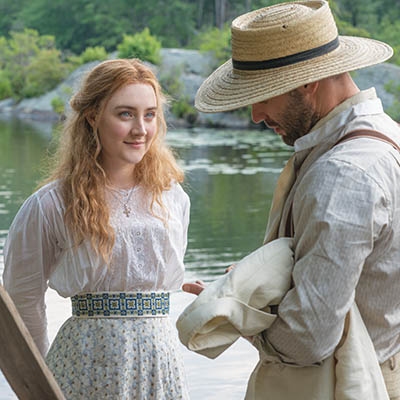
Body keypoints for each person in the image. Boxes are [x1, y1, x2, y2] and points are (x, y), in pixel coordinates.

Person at [182, 0, 400, 398]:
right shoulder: (388, 138)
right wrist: (257, 283)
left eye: (263, 94)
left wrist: (239, 312)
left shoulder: (342, 172)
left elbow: (307, 339)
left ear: (306, 82)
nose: (255, 114)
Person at [3, 58, 190, 399]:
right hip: (84, 365)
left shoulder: (172, 198)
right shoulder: (50, 205)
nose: (141, 129)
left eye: (150, 114)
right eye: (125, 114)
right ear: (92, 117)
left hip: (158, 365)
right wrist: (40, 383)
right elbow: (21, 304)